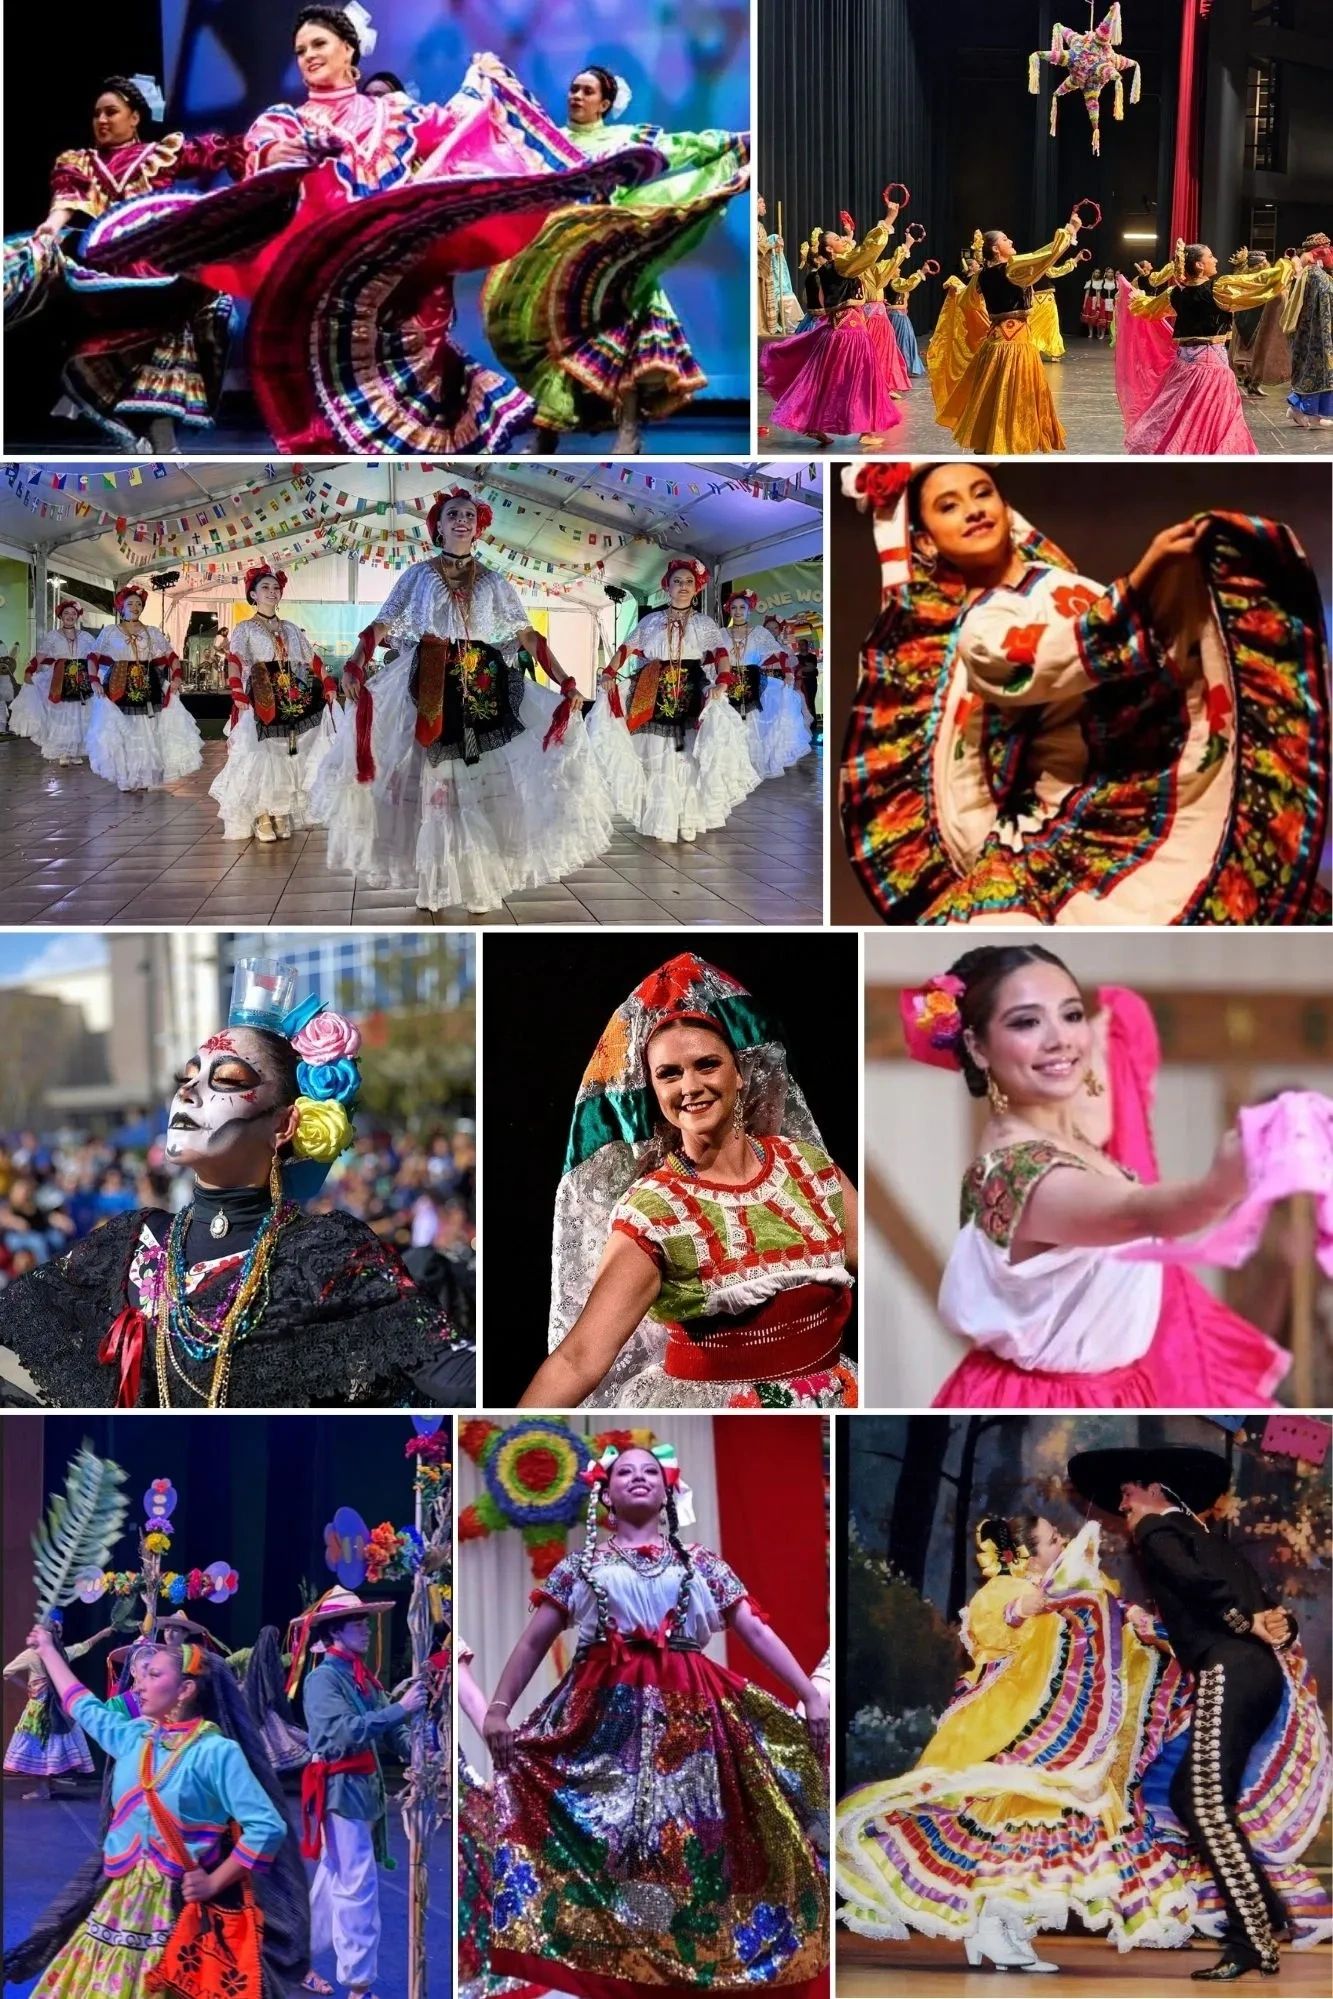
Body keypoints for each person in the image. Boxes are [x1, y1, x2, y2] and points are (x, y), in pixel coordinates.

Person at [838, 460, 1332, 926]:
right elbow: (1065, 651)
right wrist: (1147, 574)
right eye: (948, 505)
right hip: (1060, 812)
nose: (972, 509)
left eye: (982, 492)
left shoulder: (1060, 581)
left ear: (1006, 509)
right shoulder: (980, 629)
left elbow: (1140, 646)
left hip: (1124, 781)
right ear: (925, 542)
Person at [0, 955, 475, 1406]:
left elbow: (456, 1374)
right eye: (187, 1077)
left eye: (225, 1080)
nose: (188, 1091)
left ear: (283, 1125)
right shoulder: (130, 1242)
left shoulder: (327, 1252)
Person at [482, 1441, 830, 1999]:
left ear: (668, 1492)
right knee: (612, 1845)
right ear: (607, 1495)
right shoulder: (582, 1567)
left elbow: (755, 1631)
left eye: (650, 1471)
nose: (639, 1478)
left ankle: (695, 1973)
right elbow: (531, 1644)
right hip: (600, 1724)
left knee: (692, 1848)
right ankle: (619, 1973)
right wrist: (498, 1709)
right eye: (625, 1472)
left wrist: (809, 1696)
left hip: (692, 1724)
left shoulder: (702, 1563)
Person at [899, 945, 1283, 1408]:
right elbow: (1133, 1213)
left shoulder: (1073, 1136)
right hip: (1047, 1409)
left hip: (1114, 1392)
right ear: (978, 1047)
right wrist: (1219, 1187)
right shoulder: (1018, 1171)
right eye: (1026, 1022)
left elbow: (1107, 1088)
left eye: (1072, 1015)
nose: (1060, 1039)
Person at [837, 1513, 1197, 1970]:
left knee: (1042, 1830)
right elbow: (1003, 1619)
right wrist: (1037, 1602)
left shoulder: (1077, 1593)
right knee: (1007, 1825)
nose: (1062, 1542)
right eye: (1052, 1539)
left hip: (1052, 1738)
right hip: (1004, 1732)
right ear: (1027, 1553)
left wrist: (1133, 1619)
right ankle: (991, 1927)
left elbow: (1106, 1634)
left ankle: (1003, 1928)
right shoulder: (1006, 1591)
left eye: (1059, 1536)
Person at [522, 951, 858, 1409]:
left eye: (706, 1065)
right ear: (655, 1091)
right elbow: (579, 1360)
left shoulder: (808, 1169)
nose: (690, 1086)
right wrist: (512, 1441)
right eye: (669, 1074)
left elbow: (891, 1278)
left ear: (740, 1073)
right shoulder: (654, 1210)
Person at [1067, 1445, 1309, 1983]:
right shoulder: (1213, 1543)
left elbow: (1209, 1593)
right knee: (1191, 1795)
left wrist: (1243, 1621)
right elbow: (1275, 1615)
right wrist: (1268, 1624)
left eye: (1128, 1489)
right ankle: (1264, 1915)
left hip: (1232, 1667)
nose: (1122, 1501)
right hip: (1254, 1672)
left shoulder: (1157, 1532)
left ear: (1157, 1489)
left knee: (1202, 1800)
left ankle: (1254, 1938)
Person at [313, 486, 611, 912]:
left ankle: (478, 880)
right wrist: (355, 664)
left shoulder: (494, 580)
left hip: (483, 684)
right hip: (428, 684)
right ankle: (433, 880)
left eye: (469, 515)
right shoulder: (417, 575)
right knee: (435, 785)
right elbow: (382, 624)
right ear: (438, 525)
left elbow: (527, 635)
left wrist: (565, 682)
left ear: (479, 527)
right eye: (453, 513)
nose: (462, 520)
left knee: (478, 784)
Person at [17, 1627, 308, 1999]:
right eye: (141, 1675)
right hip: (119, 1901)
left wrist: (214, 1882)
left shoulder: (216, 1752)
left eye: (153, 1675)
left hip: (178, 1911)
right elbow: (82, 1705)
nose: (139, 1685)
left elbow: (266, 1827)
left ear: (185, 1690)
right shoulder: (134, 1735)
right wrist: (48, 1649)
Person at [482, 62, 748, 453]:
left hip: (611, 257)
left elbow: (679, 147)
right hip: (557, 258)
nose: (576, 95)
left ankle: (628, 433)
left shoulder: (621, 139)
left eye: (587, 91)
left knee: (629, 341)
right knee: (549, 347)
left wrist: (732, 142)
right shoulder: (548, 140)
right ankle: (546, 435)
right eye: (574, 88)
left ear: (605, 102)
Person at [4, 76, 240, 449]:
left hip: (155, 271)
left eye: (111, 112)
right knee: (99, 342)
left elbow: (213, 152)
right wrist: (50, 226)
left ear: (134, 118)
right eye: (96, 113)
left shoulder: (158, 154)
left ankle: (161, 444)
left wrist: (261, 155)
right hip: (109, 275)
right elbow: (68, 198)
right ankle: (141, 441)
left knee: (177, 333)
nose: (101, 120)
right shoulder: (82, 161)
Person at [286, 1586, 427, 1999]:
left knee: (336, 1881)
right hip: (341, 1792)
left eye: (365, 1622)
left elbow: (392, 1728)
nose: (366, 1629)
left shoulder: (362, 1678)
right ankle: (359, 1985)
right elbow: (338, 1734)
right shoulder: (321, 1680)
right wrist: (399, 1710)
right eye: (357, 1623)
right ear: (334, 1633)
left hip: (363, 1792)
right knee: (357, 1887)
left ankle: (293, 1957)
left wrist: (418, 1747)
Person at [587, 554, 759, 842]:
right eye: (677, 581)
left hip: (692, 686)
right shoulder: (652, 620)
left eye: (689, 582)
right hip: (655, 688)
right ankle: (660, 819)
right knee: (658, 755)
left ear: (697, 588)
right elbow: (626, 649)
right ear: (667, 586)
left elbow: (720, 655)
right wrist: (608, 672)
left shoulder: (704, 623)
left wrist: (723, 681)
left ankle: (687, 818)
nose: (683, 586)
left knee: (688, 754)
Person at [929, 207, 1088, 450]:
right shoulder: (1011, 268)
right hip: (1014, 345)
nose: (1011, 240)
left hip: (994, 343)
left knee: (992, 398)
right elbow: (1042, 255)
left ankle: (990, 442)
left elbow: (965, 302)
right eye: (1005, 239)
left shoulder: (980, 276)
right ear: (995, 248)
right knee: (1015, 396)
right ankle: (1009, 442)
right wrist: (1070, 230)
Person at [1115, 242, 1295, 453]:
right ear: (1200, 265)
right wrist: (1290, 265)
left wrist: (1132, 295)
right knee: (1215, 422)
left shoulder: (1175, 293)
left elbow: (1146, 309)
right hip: (1211, 371)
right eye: (1211, 256)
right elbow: (1259, 283)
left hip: (1183, 366)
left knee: (1177, 417)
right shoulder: (1218, 289)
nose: (1215, 260)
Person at [210, 562, 337, 842]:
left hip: (291, 697)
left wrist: (327, 682)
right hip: (260, 697)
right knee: (261, 756)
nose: (272, 592)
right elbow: (235, 660)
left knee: (287, 755)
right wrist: (236, 690)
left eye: (276, 588)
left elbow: (311, 659)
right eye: (265, 587)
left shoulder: (291, 628)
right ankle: (262, 813)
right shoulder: (245, 628)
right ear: (253, 594)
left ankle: (281, 810)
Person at [759, 228, 902, 446]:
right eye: (837, 239)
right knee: (862, 380)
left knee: (824, 381)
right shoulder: (839, 266)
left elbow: (858, 257)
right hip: (850, 333)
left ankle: (815, 425)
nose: (842, 240)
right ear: (828, 248)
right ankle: (866, 432)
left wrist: (850, 236)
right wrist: (889, 221)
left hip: (842, 329)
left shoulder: (835, 267)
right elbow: (864, 253)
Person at [85, 584, 204, 792]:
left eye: (139, 604)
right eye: (130, 603)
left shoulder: (152, 632)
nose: (135, 607)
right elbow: (93, 656)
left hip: (148, 684)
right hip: (118, 684)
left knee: (147, 730)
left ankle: (143, 776)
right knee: (124, 730)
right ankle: (125, 776)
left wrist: (176, 678)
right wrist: (94, 680)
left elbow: (171, 657)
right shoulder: (111, 632)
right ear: (121, 607)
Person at [3, 1614, 110, 1799]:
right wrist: (102, 1633)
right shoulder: (43, 1654)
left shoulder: (55, 1654)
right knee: (44, 1746)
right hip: (43, 1708)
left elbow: (84, 1646)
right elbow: (6, 1671)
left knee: (47, 1747)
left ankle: (45, 1787)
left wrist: (102, 1634)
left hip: (51, 1708)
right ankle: (44, 1787)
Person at [10, 600, 96, 764]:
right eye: (66, 613)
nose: (70, 616)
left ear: (77, 616)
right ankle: (62, 751)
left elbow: (93, 657)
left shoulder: (86, 637)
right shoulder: (53, 636)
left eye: (73, 613)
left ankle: (75, 751)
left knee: (79, 713)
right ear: (60, 616)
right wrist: (30, 670)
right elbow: (41, 656)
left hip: (80, 677)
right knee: (62, 713)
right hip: (60, 677)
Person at [240, 1623, 310, 1773]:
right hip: (257, 1699)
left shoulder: (247, 1653)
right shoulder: (273, 1659)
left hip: (248, 1697)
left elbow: (226, 1663)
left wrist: (238, 1682)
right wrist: (299, 1647)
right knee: (272, 1729)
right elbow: (290, 1660)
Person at [1283, 232, 1333, 428]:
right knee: (1314, 370)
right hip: (1316, 332)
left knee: (1320, 372)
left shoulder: (1316, 273)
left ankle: (1313, 414)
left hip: (1316, 331)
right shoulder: (1314, 274)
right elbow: (1327, 297)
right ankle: (1300, 409)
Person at [756, 192, 801, 335]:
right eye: (761, 202)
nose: (764, 205)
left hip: (762, 269)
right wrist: (772, 245)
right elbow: (756, 246)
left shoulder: (759, 225)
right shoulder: (753, 225)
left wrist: (773, 244)